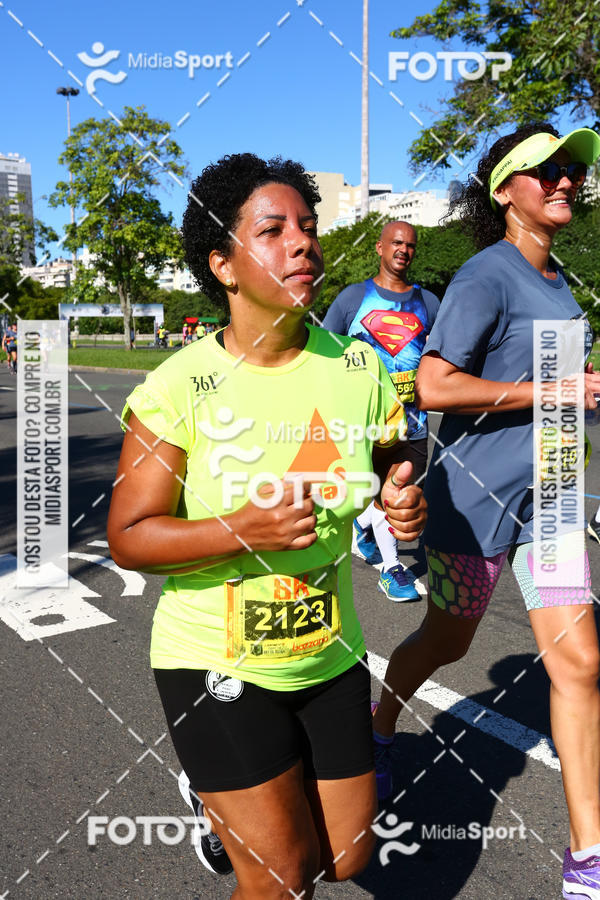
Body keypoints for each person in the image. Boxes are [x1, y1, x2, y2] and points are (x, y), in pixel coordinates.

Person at [107, 153, 427, 898]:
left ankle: (214, 803)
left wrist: (400, 494)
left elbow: (392, 459)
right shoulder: (179, 384)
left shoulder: (356, 368)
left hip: (329, 650)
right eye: (274, 229)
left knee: (344, 859)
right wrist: (242, 528)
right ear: (223, 263)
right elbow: (131, 535)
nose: (303, 243)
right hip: (214, 659)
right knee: (283, 879)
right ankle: (222, 796)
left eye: (309, 228)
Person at [369, 124, 600, 900]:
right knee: (446, 642)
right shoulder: (484, 275)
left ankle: (588, 860)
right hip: (474, 507)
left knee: (581, 666)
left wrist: (578, 385)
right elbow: (433, 384)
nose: (565, 180)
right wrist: (555, 391)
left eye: (571, 169)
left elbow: (550, 385)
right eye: (547, 171)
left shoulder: (562, 280)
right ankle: (379, 728)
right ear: (506, 190)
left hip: (553, 505)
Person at [322, 221, 440, 602]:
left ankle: (364, 525)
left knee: (396, 493)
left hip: (413, 421)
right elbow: (325, 351)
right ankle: (392, 570)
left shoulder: (430, 303)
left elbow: (445, 354)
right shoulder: (353, 299)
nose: (403, 249)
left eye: (410, 245)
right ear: (379, 247)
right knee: (390, 493)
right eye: (396, 243)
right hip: (366, 423)